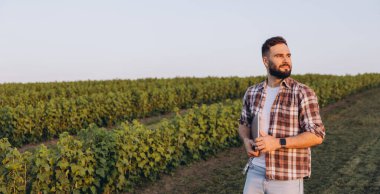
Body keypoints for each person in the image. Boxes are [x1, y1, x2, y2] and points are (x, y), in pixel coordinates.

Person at [238, 36, 326, 194]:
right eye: (279, 56)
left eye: (288, 55)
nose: (286, 60)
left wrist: (278, 143)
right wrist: (246, 140)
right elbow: (244, 123)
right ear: (266, 61)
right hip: (255, 172)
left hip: (287, 179)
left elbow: (317, 134)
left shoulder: (302, 93)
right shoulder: (252, 92)